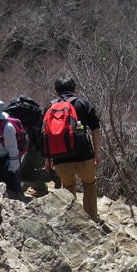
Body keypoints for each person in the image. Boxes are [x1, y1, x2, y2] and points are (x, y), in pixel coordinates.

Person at [44, 77, 102, 221]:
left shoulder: (49, 107)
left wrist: (48, 159)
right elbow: (95, 128)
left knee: (68, 185)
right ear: (74, 88)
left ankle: (73, 220)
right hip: (84, 156)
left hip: (59, 158)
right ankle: (91, 221)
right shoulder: (83, 104)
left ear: (56, 91)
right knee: (89, 184)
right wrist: (96, 153)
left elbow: (45, 134)